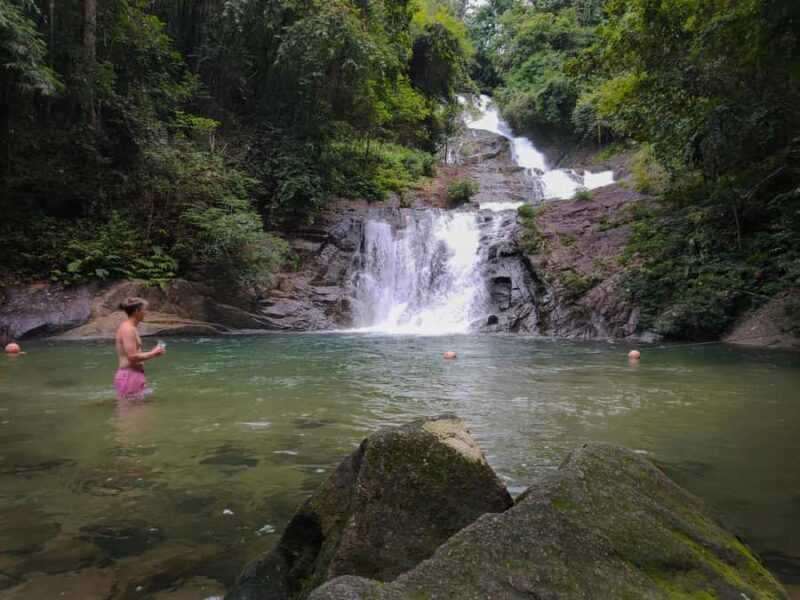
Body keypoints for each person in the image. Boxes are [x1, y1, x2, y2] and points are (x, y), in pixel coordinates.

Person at [115, 297, 165, 399]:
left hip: (134, 374)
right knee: (130, 411)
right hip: (129, 375)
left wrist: (153, 352)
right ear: (137, 311)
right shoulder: (128, 329)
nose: (145, 313)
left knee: (138, 410)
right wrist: (153, 353)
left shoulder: (131, 328)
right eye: (144, 310)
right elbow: (132, 357)